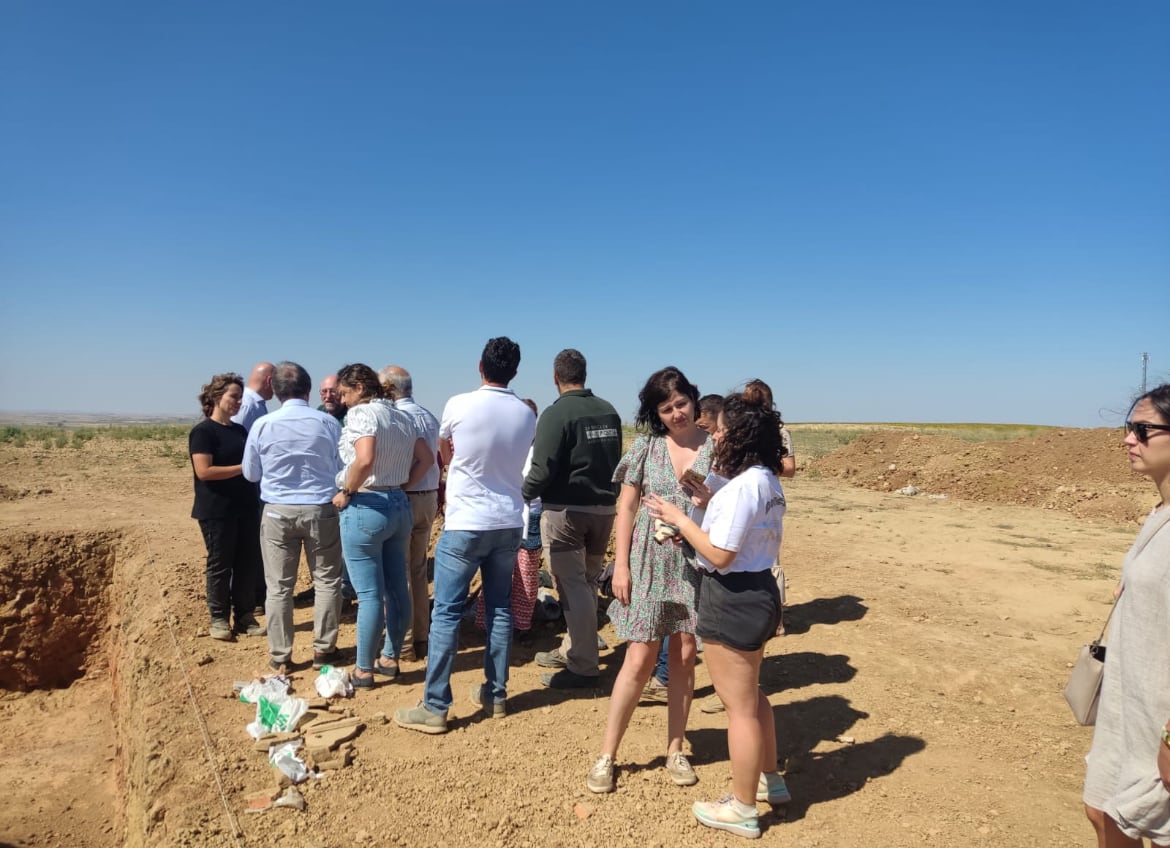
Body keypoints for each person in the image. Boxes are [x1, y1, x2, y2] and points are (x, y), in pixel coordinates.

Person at [644, 385, 792, 839]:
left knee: (738, 710)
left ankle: (743, 807)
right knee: (753, 695)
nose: (716, 437)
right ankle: (771, 780)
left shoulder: (744, 487)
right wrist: (708, 502)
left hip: (733, 599)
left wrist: (681, 518)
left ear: (739, 438)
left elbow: (721, 554)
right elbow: (742, 533)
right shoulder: (766, 481)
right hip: (761, 591)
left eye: (722, 431)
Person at [394, 337, 535, 734]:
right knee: (500, 607)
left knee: (447, 612)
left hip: (467, 520)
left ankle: (435, 705)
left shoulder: (458, 404)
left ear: (480, 366)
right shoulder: (526, 414)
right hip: (508, 521)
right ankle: (496, 693)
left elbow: (445, 451)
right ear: (515, 371)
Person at [587, 366, 711, 794]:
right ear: (655, 414)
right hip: (649, 563)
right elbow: (626, 508)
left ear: (693, 400)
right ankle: (608, 754)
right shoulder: (646, 448)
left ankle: (675, 748)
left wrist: (708, 502)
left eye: (681, 403)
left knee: (684, 654)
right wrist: (619, 565)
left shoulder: (717, 449)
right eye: (666, 408)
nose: (676, 413)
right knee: (639, 658)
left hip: (696, 564)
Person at [1083, 384, 1170, 848]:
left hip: (1159, 720)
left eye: (1143, 429)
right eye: (1128, 428)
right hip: (1130, 707)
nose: (1128, 440)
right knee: (1102, 813)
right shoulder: (1159, 513)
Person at [332, 364, 434, 689]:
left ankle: (364, 670)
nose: (344, 401)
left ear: (360, 388)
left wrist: (346, 491)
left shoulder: (363, 415)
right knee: (396, 586)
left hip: (365, 504)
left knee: (370, 594)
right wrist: (403, 485)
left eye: (345, 393)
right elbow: (427, 459)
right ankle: (390, 658)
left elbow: (364, 459)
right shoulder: (404, 417)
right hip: (397, 505)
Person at [527, 349, 623, 688]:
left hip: (567, 513)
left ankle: (583, 664)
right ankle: (573, 646)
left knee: (573, 585)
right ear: (584, 374)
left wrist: (520, 495)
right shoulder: (608, 411)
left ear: (555, 377)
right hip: (604, 510)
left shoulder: (557, 414)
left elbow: (541, 470)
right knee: (587, 580)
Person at [242, 362, 344, 673]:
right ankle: (323, 650)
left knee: (278, 587)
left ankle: (280, 655)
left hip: (277, 511)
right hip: (320, 509)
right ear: (308, 389)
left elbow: (250, 473)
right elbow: (342, 466)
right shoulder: (327, 424)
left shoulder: (263, 425)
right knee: (327, 582)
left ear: (275, 390)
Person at [647, 392, 726, 706]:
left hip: (709, 552)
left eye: (708, 429)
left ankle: (669, 678)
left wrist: (701, 508)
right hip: (690, 544)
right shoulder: (654, 448)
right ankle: (668, 676)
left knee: (691, 621)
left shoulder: (721, 456)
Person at [188, 373, 263, 641]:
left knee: (246, 563)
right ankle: (218, 619)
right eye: (234, 396)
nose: (238, 402)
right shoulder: (203, 432)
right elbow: (204, 471)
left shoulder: (240, 430)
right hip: (217, 511)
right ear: (217, 397)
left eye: (240, 397)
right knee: (221, 565)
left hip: (245, 507)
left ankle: (244, 617)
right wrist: (243, 469)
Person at [380, 365, 441, 661]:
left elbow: (424, 460)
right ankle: (421, 638)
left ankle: (402, 644)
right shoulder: (428, 415)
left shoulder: (399, 418)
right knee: (417, 571)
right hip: (428, 499)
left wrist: (403, 486)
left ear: (390, 389)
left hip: (407, 497)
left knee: (399, 573)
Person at [475, 399, 544, 638]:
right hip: (505, 513)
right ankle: (492, 622)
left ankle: (520, 626)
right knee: (498, 570)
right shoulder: (506, 444)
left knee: (524, 573)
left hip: (524, 513)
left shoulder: (538, 447)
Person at [232, 362, 275, 432]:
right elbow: (236, 438)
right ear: (269, 381)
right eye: (276, 382)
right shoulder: (247, 405)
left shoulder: (254, 404)